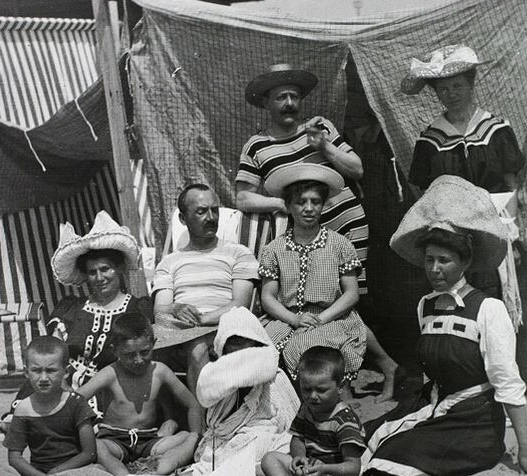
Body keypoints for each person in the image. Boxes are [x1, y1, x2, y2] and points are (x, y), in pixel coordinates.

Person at [360, 176, 527, 476]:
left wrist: (526, 449)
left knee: (392, 454)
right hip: (435, 407)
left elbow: (507, 383)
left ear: (466, 261)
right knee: (364, 437)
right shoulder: (426, 306)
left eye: (444, 261)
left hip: (474, 426)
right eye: (429, 260)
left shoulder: (488, 309)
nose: (434, 269)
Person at [237, 63, 398, 401]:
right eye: (280, 97)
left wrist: (325, 147)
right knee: (315, 304)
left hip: (345, 222)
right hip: (300, 229)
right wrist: (282, 205)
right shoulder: (257, 145)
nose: (289, 103)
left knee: (348, 301)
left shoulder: (320, 128)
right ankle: (340, 374)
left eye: (294, 96)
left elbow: (357, 169)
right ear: (266, 102)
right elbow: (242, 197)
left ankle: (356, 371)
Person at [402, 44, 526, 303]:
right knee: (454, 300)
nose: (452, 94)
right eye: (444, 89)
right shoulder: (429, 140)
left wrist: (510, 234)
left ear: (471, 85)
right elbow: (426, 193)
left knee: (492, 299)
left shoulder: (497, 130)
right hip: (450, 234)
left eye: (458, 86)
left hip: (492, 228)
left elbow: (510, 184)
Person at [258, 163, 367, 384]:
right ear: (288, 206)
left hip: (330, 318)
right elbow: (268, 297)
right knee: (259, 347)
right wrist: (294, 319)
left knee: (308, 347)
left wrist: (319, 320)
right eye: (301, 202)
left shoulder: (339, 244)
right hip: (286, 318)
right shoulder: (274, 249)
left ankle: (320, 398)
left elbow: (351, 294)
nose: (309, 208)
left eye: (315, 202)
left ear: (323, 205)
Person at [28, 210, 153, 400]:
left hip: (112, 391)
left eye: (105, 269)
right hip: (61, 385)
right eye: (92, 272)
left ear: (119, 268)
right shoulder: (71, 309)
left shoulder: (136, 309)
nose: (99, 278)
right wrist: (62, 385)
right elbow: (52, 352)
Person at [152, 184, 258, 390]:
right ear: (183, 219)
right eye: (201, 211)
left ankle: (198, 412)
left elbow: (240, 304)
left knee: (198, 349)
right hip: (177, 328)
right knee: (143, 349)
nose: (211, 218)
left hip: (223, 326)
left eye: (214, 210)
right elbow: (159, 309)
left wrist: (202, 320)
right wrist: (175, 308)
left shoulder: (238, 253)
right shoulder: (169, 262)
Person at [75, 313, 204, 476]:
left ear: (154, 344)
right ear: (115, 350)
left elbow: (192, 404)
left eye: (145, 352)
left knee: (188, 437)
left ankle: (158, 471)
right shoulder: (110, 373)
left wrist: (196, 436)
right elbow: (74, 401)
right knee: (96, 446)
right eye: (129, 355)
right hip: (115, 440)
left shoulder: (160, 371)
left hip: (149, 440)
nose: (138, 360)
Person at [260, 346, 365, 476]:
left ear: (340, 387)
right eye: (306, 389)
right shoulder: (307, 408)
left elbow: (353, 468)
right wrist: (299, 457)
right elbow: (298, 438)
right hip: (311, 473)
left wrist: (324, 468)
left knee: (270, 464)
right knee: (262, 475)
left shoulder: (343, 421)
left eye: (321, 390)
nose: (313, 396)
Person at [0, 336, 97, 476]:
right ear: (26, 372)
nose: (43, 378)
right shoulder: (23, 409)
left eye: (51, 371)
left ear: (65, 372)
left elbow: (89, 452)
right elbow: (15, 458)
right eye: (36, 371)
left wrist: (56, 473)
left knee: (99, 471)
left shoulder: (76, 403)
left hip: (74, 471)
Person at [191, 307, 300, 475]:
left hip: (260, 443)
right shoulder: (220, 383)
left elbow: (294, 426)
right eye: (233, 343)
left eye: (244, 342)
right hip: (222, 446)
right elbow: (215, 423)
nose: (239, 350)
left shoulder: (275, 379)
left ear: (257, 344)